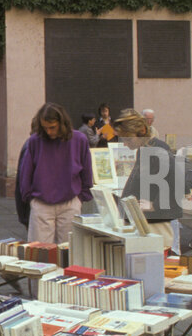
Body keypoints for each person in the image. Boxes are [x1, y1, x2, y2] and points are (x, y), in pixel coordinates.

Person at [17, 103, 94, 244]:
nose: (49, 132)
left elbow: (87, 171)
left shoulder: (79, 140)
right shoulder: (35, 141)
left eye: (52, 127)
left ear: (62, 123)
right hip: (41, 203)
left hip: (70, 202)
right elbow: (26, 172)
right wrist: (29, 198)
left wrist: (81, 197)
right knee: (39, 254)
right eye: (45, 128)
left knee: (70, 251)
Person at [113, 108, 183, 253]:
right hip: (147, 224)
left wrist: (154, 205)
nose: (125, 144)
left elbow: (177, 186)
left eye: (128, 139)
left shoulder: (158, 152)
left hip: (156, 226)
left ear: (142, 132)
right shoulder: (144, 149)